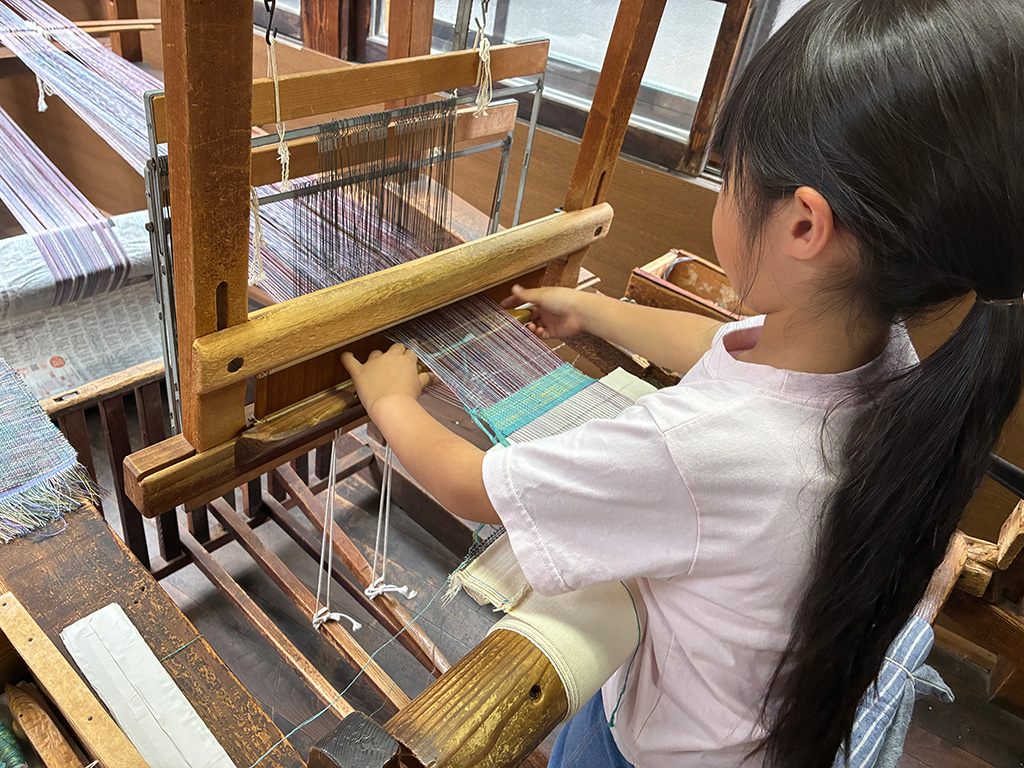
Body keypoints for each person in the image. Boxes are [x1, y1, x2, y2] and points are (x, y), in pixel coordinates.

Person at [341, 0, 1024, 764]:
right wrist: (593, 312)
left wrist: (390, 401)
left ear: (804, 225)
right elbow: (713, 343)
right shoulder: (887, 358)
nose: (723, 189)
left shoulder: (697, 451)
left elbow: (472, 485)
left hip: (661, 750)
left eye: (730, 174)